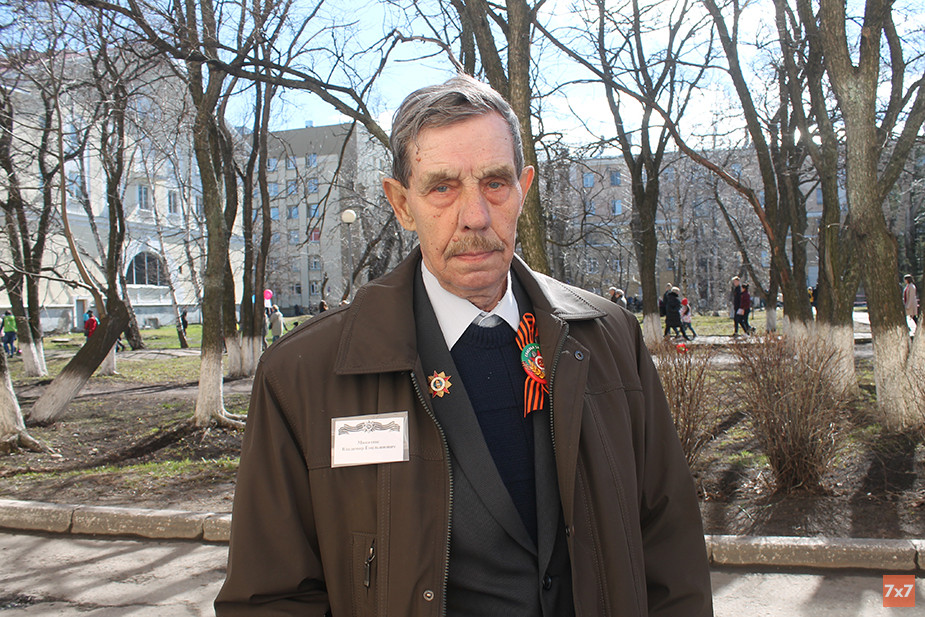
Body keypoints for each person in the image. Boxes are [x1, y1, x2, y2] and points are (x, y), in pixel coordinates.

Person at [215, 74, 712, 617]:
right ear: (402, 204)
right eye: (442, 188)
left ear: (523, 188)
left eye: (495, 183)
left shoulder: (610, 339)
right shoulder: (304, 375)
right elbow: (270, 598)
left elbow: (669, 548)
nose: (475, 216)